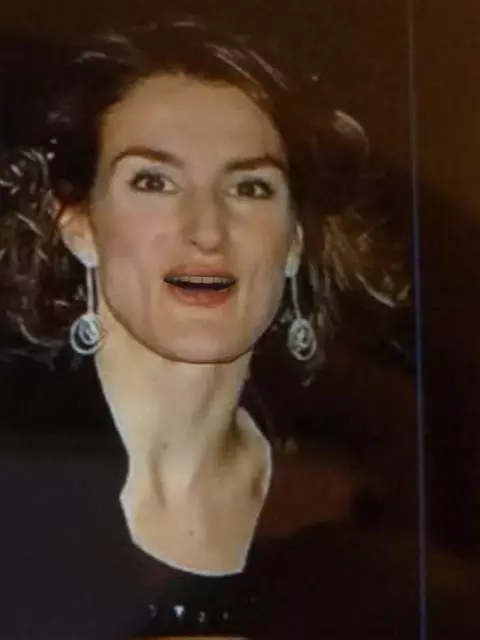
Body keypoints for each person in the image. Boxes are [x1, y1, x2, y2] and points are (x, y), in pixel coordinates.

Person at [0, 17, 417, 640]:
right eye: (154, 182)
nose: (207, 230)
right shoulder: (19, 472)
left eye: (249, 188)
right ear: (79, 224)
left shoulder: (372, 505)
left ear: (295, 239)